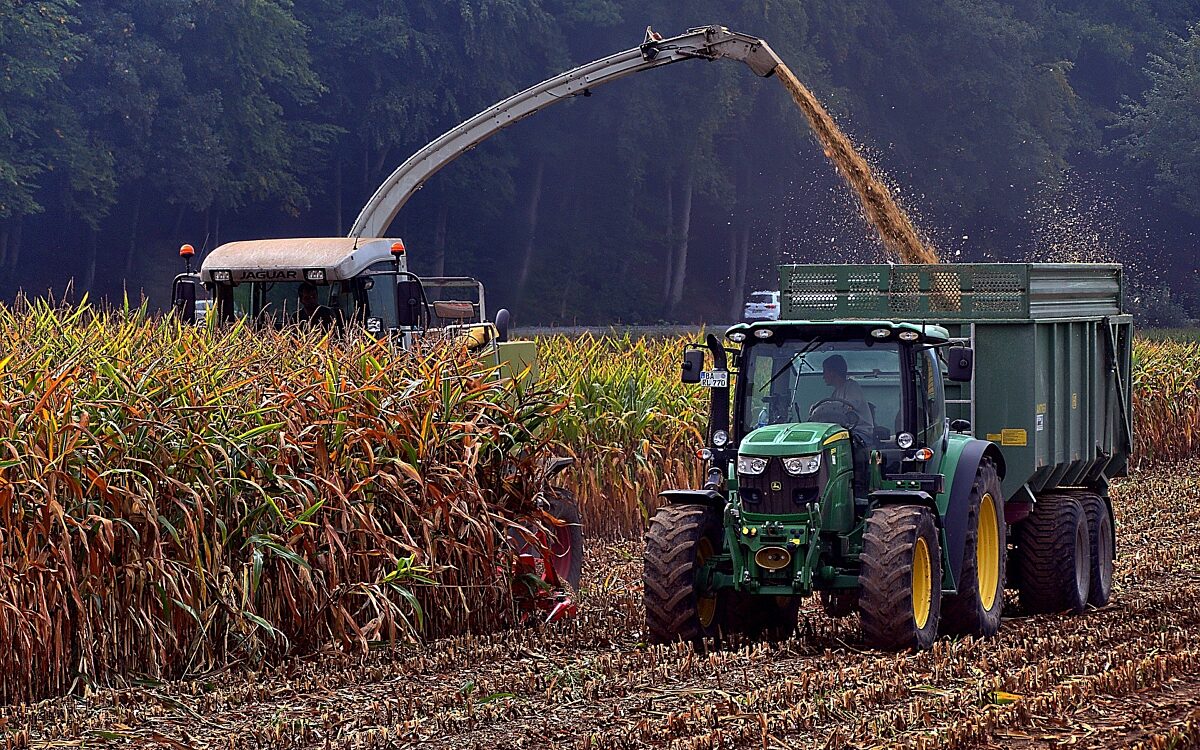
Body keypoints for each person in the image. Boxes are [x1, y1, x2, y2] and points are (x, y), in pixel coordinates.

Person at [820, 355, 875, 436]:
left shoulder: (852, 387)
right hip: (846, 431)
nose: (823, 377)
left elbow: (846, 408)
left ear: (833, 372)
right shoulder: (836, 392)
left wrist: (825, 407)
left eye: (825, 372)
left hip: (860, 433)